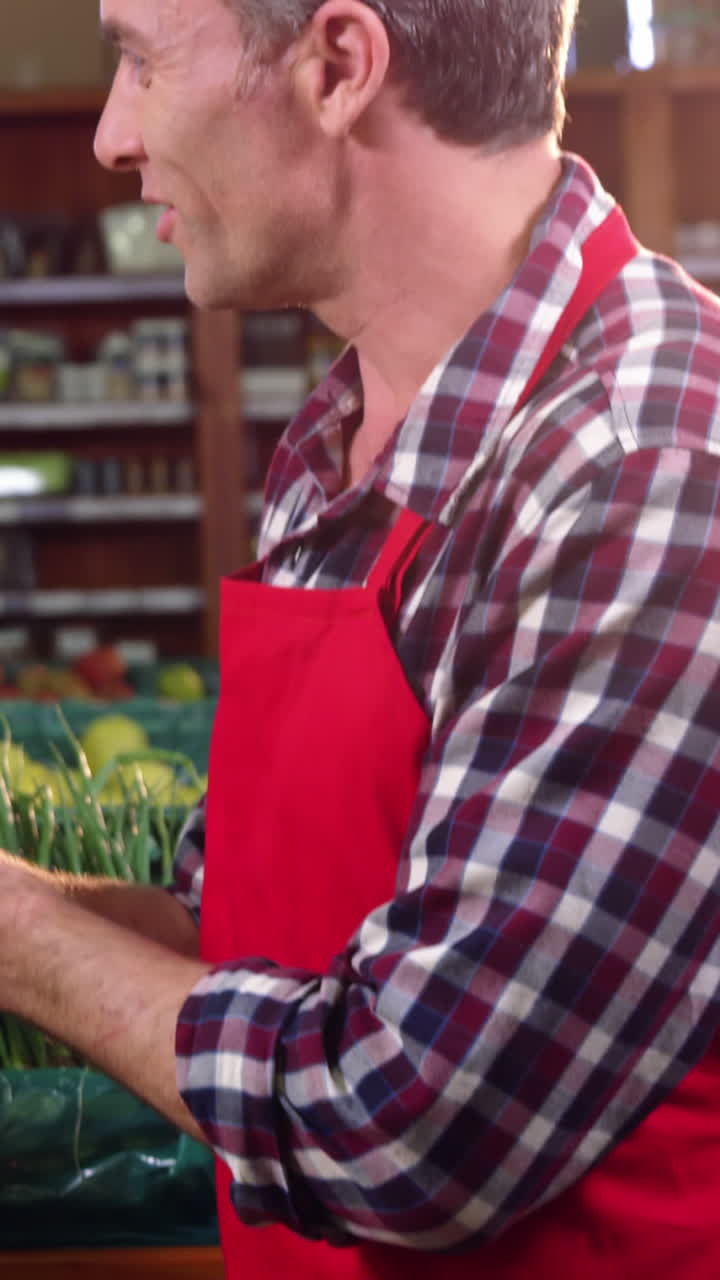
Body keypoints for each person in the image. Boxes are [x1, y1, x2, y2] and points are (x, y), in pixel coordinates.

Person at [2, 0, 720, 1275]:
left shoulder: (646, 470)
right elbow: (241, 939)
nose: (114, 132)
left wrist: (23, 940)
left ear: (338, 66)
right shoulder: (349, 433)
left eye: (138, 58)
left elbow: (410, 1123)